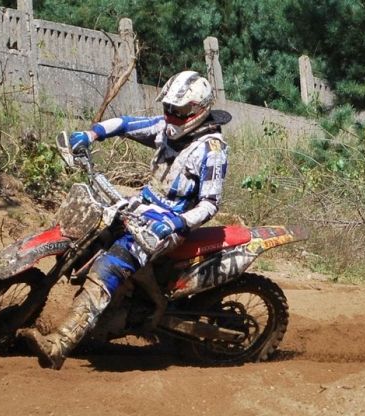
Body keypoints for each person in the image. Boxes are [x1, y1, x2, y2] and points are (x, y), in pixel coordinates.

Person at [20, 70, 231, 369]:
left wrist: (177, 223)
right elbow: (126, 124)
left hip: (168, 224)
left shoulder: (212, 150)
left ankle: (60, 344)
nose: (171, 116)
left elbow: (210, 203)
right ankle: (121, 299)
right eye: (168, 108)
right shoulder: (166, 128)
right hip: (140, 206)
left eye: (179, 111)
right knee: (91, 234)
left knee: (111, 264)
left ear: (198, 110)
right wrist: (91, 134)